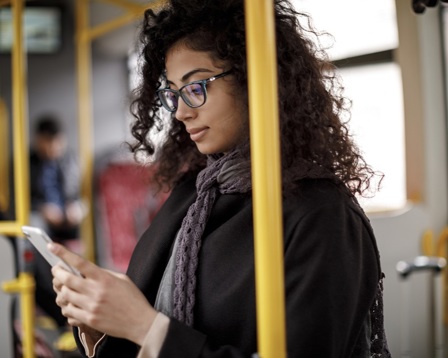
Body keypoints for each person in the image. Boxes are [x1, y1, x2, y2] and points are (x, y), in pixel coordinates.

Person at [49, 0, 391, 357]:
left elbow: (149, 325)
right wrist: (101, 323)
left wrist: (142, 326)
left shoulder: (322, 216)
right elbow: (145, 315)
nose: (181, 112)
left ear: (254, 78)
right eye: (172, 93)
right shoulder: (192, 193)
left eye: (197, 87)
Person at [29, 115, 86, 337]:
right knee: (34, 226)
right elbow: (20, 201)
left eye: (57, 142)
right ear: (38, 141)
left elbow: (81, 196)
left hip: (68, 222)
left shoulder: (71, 160)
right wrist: (43, 208)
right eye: (49, 142)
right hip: (42, 221)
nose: (54, 148)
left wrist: (78, 207)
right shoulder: (26, 164)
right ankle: (60, 314)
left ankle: (76, 309)